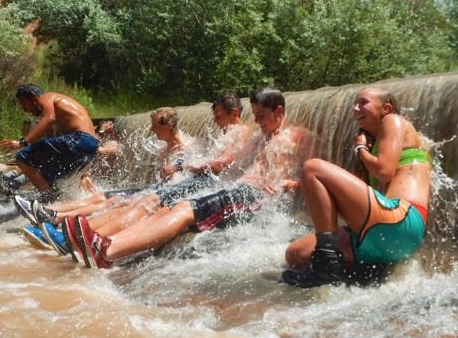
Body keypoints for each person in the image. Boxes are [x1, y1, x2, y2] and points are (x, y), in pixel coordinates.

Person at [70, 87, 308, 269]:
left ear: (279, 111)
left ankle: (106, 253)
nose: (256, 121)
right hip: (237, 190)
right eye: (254, 115)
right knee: (166, 209)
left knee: (184, 209)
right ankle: (104, 242)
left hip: (255, 199)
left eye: (261, 115)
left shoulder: (300, 136)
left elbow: (315, 174)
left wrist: (291, 184)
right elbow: (230, 167)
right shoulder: (260, 138)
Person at [38, 93, 252, 241]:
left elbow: (216, 166)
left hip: (204, 187)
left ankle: (74, 233)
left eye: (219, 116)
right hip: (192, 184)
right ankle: (60, 223)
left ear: (234, 113)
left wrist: (179, 165)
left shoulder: (238, 133)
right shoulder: (225, 135)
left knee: (132, 202)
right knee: (125, 200)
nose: (216, 122)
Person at [281, 86, 431, 288]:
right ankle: (357, 273)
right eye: (354, 103)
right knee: (295, 254)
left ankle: (327, 265)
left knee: (312, 168)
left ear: (385, 108)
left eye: (363, 102)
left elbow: (384, 171)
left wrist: (360, 149)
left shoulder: (393, 120)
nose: (355, 108)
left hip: (401, 221)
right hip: (383, 235)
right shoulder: (378, 144)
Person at [0, 84, 100, 193]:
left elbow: (49, 119)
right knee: (47, 173)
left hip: (80, 139)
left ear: (33, 97)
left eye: (24, 103)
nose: (25, 110)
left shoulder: (45, 97)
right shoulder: (62, 113)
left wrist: (22, 142)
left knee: (22, 156)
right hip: (90, 144)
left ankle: (48, 196)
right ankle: (57, 198)